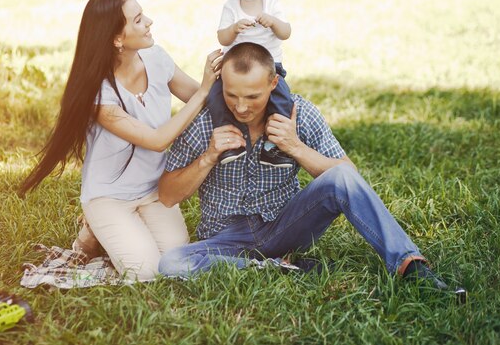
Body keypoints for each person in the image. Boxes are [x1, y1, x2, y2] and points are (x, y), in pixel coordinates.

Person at [157, 42, 452, 291]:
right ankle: (279, 267)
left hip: (286, 225)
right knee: (171, 263)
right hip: (224, 238)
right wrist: (208, 156)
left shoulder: (300, 112)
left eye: (253, 97)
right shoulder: (205, 120)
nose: (241, 107)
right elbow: (168, 195)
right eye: (231, 95)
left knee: (341, 178)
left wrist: (294, 146)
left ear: (273, 84)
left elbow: (347, 176)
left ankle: (410, 265)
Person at [19, 0, 223, 282]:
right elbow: (156, 139)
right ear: (117, 39)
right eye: (139, 20)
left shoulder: (156, 58)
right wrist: (204, 90)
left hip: (154, 192)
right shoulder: (99, 94)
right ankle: (93, 229)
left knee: (173, 260)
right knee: (146, 272)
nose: (150, 22)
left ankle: (118, 229)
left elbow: (197, 98)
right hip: (110, 197)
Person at [208, 0, 295, 168]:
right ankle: (231, 143)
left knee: (282, 99)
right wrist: (234, 28)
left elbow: (285, 32)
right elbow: (222, 38)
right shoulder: (231, 7)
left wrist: (274, 22)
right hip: (234, 70)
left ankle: (272, 147)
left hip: (269, 67)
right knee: (216, 97)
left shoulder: (272, 3)